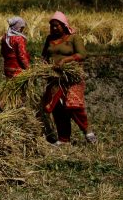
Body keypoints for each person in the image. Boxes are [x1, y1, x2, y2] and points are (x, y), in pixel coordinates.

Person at [41, 11, 97, 144]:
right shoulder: (49, 39)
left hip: (71, 78)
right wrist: (43, 66)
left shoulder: (74, 38)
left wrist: (66, 60)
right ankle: (63, 139)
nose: (54, 28)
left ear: (64, 25)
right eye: (52, 26)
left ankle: (88, 132)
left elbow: (82, 54)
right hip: (54, 78)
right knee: (57, 108)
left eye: (57, 26)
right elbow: (44, 55)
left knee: (73, 105)